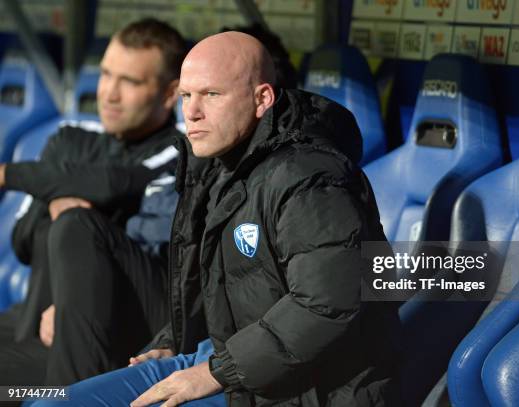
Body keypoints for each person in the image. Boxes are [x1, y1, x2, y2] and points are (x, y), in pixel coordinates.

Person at [33, 31, 400, 407]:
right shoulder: (215, 167)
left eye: (211, 95)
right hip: (224, 358)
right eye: (186, 96)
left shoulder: (309, 177)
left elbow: (328, 302)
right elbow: (217, 289)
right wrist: (171, 342)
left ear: (263, 99)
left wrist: (214, 373)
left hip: (304, 387)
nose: (191, 112)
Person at [0, 18, 187, 385]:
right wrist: (60, 198)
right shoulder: (70, 139)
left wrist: (15, 175)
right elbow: (22, 240)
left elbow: (117, 181)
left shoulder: (182, 147)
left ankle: (74, 393)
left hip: (133, 324)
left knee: (76, 225)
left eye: (130, 81)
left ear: (169, 93)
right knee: (64, 222)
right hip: (38, 319)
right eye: (105, 75)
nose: (109, 93)